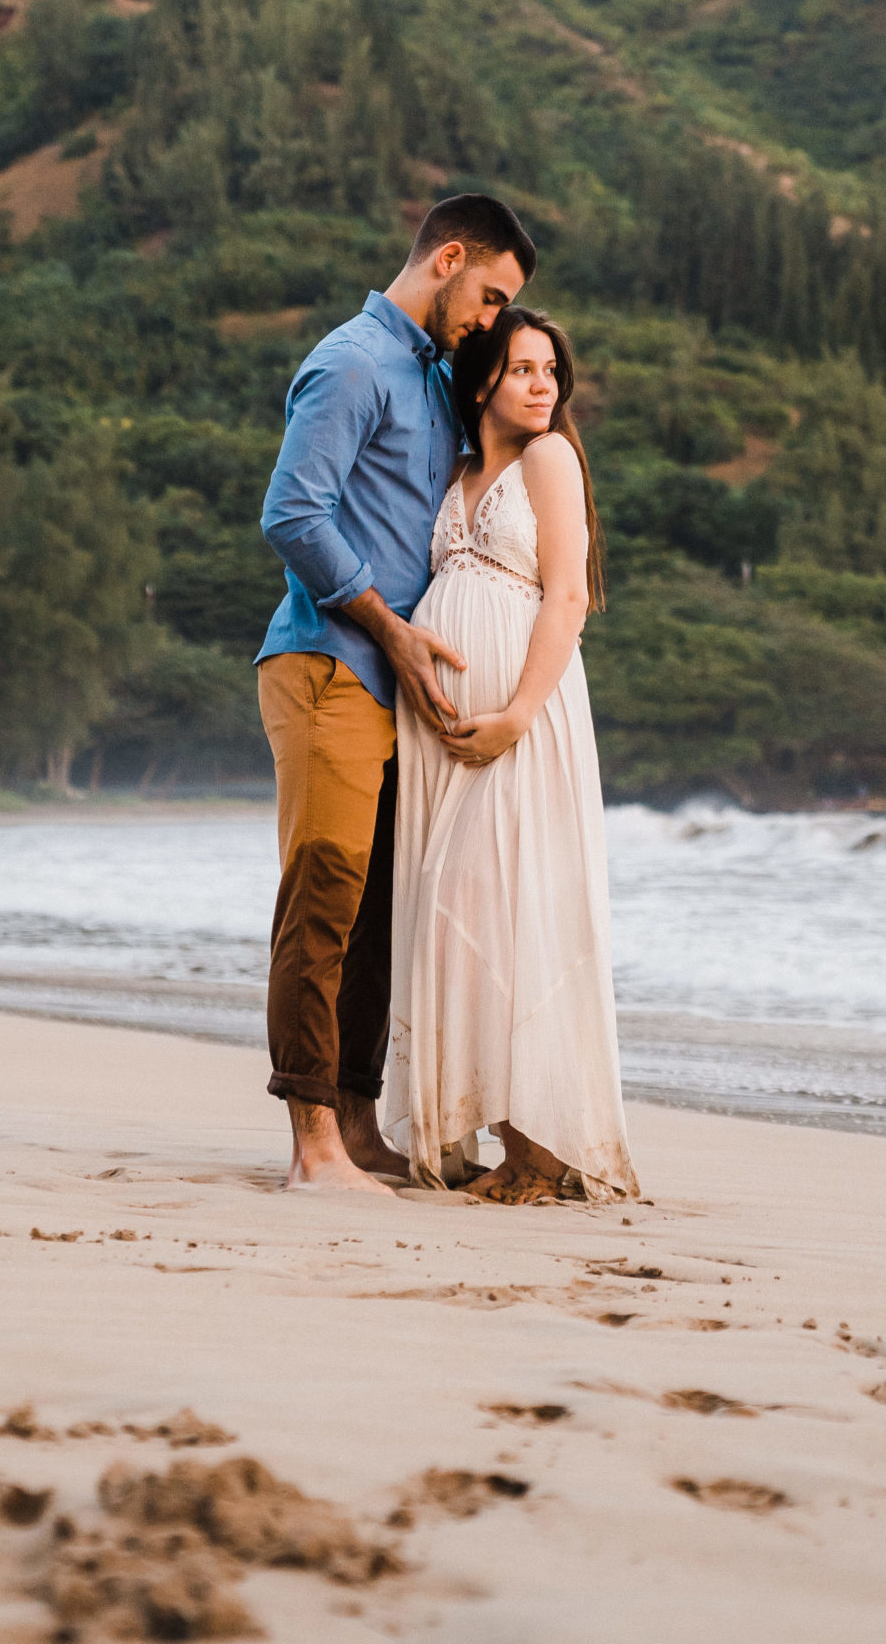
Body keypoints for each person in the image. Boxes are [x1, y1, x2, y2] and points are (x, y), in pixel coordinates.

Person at [256, 195, 538, 1192]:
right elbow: (292, 511)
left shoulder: (430, 377)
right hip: (328, 661)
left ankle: (359, 1126)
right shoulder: (352, 361)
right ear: (448, 256)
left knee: (377, 913)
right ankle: (311, 1145)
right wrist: (386, 626)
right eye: (492, 293)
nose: (494, 318)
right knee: (325, 894)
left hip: (393, 684)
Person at [386, 305, 638, 1203]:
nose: (543, 387)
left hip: (521, 723)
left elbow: (565, 598)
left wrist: (515, 715)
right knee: (457, 912)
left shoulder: (549, 458)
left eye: (550, 372)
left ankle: (541, 1144)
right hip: (449, 737)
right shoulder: (454, 470)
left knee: (511, 905)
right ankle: (495, 1130)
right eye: (524, 369)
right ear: (483, 376)